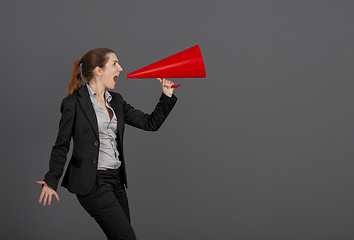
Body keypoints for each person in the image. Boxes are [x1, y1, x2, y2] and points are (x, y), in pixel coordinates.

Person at [36, 48, 178, 240]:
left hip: (116, 182)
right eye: (114, 64)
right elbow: (61, 145)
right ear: (98, 70)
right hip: (92, 184)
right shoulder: (73, 104)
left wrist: (166, 96)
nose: (120, 68)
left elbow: (150, 124)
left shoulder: (116, 101)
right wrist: (51, 180)